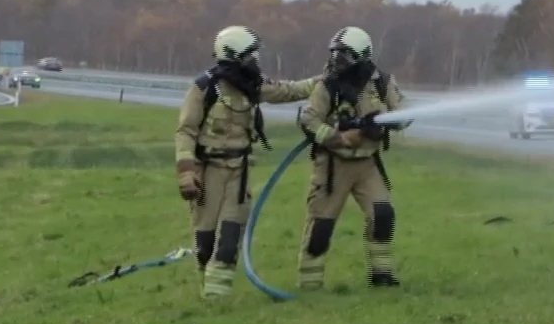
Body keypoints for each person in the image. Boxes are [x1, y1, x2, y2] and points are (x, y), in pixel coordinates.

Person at [175, 25, 320, 300]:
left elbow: (290, 91)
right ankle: (206, 285)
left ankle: (216, 301)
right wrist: (186, 170)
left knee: (230, 238)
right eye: (249, 56)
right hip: (208, 173)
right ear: (231, 55)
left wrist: (323, 80)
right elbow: (186, 131)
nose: (254, 62)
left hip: (238, 174)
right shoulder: (204, 88)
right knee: (204, 241)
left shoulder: (253, 85)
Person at [295, 26, 409, 289]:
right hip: (333, 167)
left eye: (343, 55)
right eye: (334, 55)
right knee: (320, 228)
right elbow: (309, 119)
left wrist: (385, 124)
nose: (336, 61)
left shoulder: (382, 82)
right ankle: (309, 285)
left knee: (382, 215)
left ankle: (381, 275)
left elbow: (403, 114)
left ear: (362, 55)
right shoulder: (327, 85)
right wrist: (338, 138)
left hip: (368, 166)